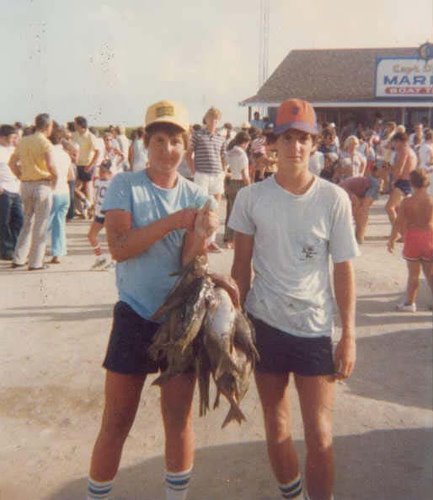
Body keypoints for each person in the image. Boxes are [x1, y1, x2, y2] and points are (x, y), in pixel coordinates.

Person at [87, 100, 219, 500]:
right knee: (116, 419)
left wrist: (199, 235)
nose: (168, 150)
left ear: (186, 146)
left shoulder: (198, 195)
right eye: (159, 140)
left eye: (176, 141)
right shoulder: (126, 185)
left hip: (180, 319)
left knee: (178, 419)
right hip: (134, 315)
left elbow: (187, 263)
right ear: (146, 143)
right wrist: (176, 222)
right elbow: (120, 247)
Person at [229, 98, 359, 500]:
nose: (295, 147)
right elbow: (241, 268)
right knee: (277, 425)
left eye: (304, 138)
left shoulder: (333, 199)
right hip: (264, 324)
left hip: (314, 328)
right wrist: (235, 328)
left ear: (315, 143)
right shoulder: (251, 198)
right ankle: (292, 494)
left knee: (320, 435)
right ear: (272, 143)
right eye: (287, 138)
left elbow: (343, 268)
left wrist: (348, 335)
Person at [9, 113, 56, 270]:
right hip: (42, 184)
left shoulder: (24, 141)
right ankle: (36, 262)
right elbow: (50, 165)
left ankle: (19, 258)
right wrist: (54, 176)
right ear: (47, 126)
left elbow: (12, 163)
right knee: (41, 225)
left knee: (27, 222)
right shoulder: (45, 143)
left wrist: (21, 175)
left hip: (26, 184)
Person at [387, 168, 433, 312]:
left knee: (413, 274)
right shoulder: (431, 200)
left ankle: (410, 303)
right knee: (430, 273)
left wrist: (392, 239)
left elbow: (398, 222)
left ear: (411, 183)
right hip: (429, 236)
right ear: (427, 183)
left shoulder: (407, 202)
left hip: (412, 237)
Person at [186, 106, 226, 252]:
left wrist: (223, 170)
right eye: (211, 118)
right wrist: (194, 171)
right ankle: (197, 240)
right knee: (200, 208)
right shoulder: (197, 135)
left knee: (215, 210)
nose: (214, 121)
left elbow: (223, 156)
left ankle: (210, 241)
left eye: (216, 119)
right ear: (206, 118)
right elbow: (188, 154)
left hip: (217, 175)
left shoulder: (221, 137)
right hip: (202, 174)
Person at [47, 125, 74, 264]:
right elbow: (71, 176)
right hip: (65, 192)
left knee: (45, 225)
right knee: (59, 224)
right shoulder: (65, 155)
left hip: (53, 191)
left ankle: (35, 251)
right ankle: (58, 253)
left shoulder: (48, 153)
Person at [339, 166, 382, 243]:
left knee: (362, 211)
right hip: (366, 186)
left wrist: (354, 214)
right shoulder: (344, 189)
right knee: (361, 211)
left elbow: (356, 204)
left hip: (370, 185)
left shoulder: (343, 189)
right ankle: (359, 235)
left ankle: (359, 236)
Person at [223, 131, 250, 248]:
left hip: (231, 182)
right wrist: (250, 187)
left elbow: (224, 167)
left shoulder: (229, 153)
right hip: (241, 183)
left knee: (230, 211)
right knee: (239, 213)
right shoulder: (242, 155)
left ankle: (228, 237)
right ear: (245, 143)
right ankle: (233, 240)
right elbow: (245, 174)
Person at [0, 125, 22, 260]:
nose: (15, 140)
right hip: (4, 190)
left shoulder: (13, 150)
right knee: (4, 222)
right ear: (2, 138)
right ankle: (6, 250)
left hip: (16, 189)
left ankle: (15, 247)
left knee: (19, 220)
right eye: (13, 137)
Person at [385, 132, 417, 226]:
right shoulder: (411, 151)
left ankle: (399, 232)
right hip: (408, 182)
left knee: (389, 207)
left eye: (394, 143)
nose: (394, 145)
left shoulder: (403, 151)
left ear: (398, 141)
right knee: (400, 210)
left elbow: (399, 170)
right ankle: (402, 233)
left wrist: (393, 181)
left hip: (402, 182)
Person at [87, 159, 114, 270]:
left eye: (104, 171)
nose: (101, 172)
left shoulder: (113, 183)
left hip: (108, 213)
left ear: (110, 172)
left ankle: (114, 261)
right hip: (99, 213)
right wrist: (93, 206)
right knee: (91, 235)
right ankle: (100, 258)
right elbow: (96, 196)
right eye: (100, 170)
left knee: (111, 239)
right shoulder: (97, 181)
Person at [72, 116, 100, 213]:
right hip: (77, 165)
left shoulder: (90, 137)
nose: (74, 125)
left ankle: (91, 210)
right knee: (75, 188)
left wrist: (91, 165)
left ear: (80, 125)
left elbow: (97, 152)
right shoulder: (75, 135)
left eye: (75, 123)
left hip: (87, 165)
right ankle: (85, 206)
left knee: (88, 188)